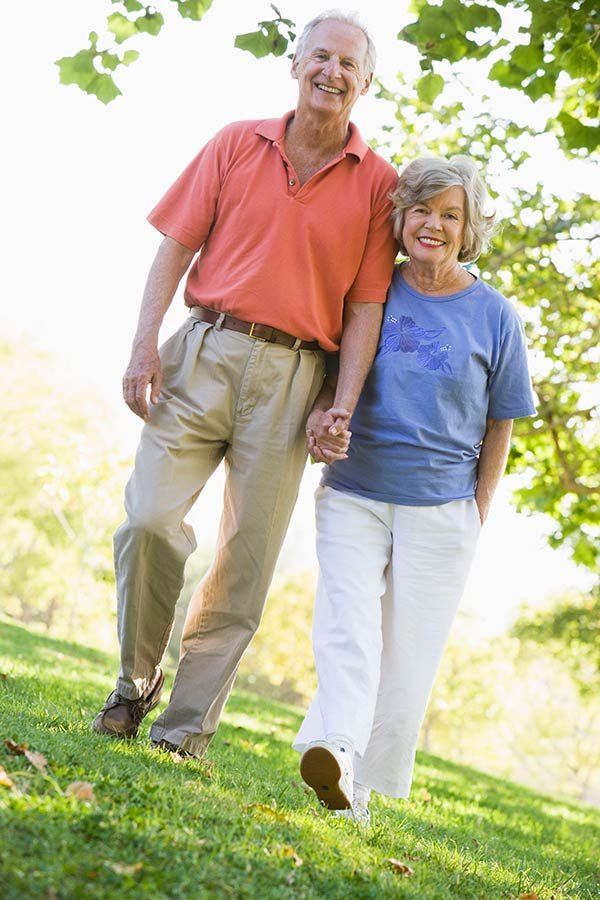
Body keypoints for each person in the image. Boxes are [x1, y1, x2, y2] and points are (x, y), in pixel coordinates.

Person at [92, 11, 398, 759]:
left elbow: (365, 309)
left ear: (366, 83)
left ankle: (183, 728)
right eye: (319, 56)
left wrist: (342, 406)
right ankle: (136, 683)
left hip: (296, 379)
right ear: (295, 64)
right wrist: (142, 345)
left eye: (348, 64)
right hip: (204, 351)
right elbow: (175, 246)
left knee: (246, 560)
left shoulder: (380, 184)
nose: (332, 71)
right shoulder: (236, 141)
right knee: (147, 522)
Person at [295, 155, 537, 826]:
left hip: (443, 510)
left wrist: (476, 515)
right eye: (422, 210)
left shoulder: (495, 316)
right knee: (346, 626)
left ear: (469, 229)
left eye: (450, 214)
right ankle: (335, 749)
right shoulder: (370, 288)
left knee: (407, 660)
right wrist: (322, 417)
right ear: (400, 218)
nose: (433, 225)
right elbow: (328, 376)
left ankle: (358, 792)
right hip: (355, 491)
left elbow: (501, 425)